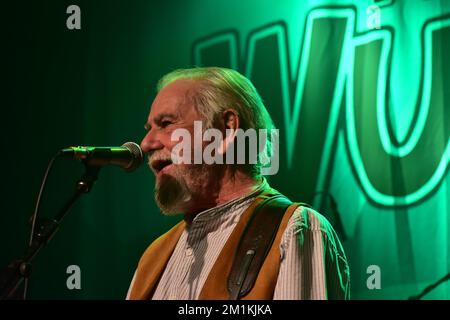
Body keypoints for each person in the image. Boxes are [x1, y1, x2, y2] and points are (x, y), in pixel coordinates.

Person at [126, 67, 350, 300]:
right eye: (149, 129)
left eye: (166, 123)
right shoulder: (153, 257)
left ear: (226, 129)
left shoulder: (294, 230)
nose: (146, 143)